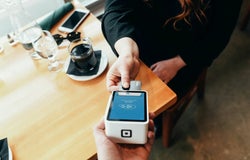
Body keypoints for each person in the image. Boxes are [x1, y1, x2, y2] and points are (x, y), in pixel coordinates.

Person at [101, 0, 243, 135]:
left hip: (186, 58)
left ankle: (158, 125)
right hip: (137, 48)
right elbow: (116, 9)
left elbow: (218, 38)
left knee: (158, 103)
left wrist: (177, 63)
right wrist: (127, 52)